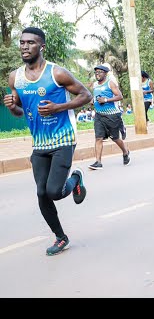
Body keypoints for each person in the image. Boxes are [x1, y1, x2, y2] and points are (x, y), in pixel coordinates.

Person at [3, 27, 92, 255]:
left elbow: (85, 95)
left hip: (63, 138)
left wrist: (59, 107)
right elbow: (20, 112)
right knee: (42, 194)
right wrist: (13, 106)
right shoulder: (16, 78)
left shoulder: (57, 73)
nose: (24, 46)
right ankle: (61, 237)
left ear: (41, 47)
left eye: (30, 43)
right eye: (22, 43)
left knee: (54, 191)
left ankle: (75, 178)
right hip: (39, 143)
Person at [88, 65, 131, 170]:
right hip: (99, 115)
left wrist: (106, 100)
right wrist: (92, 101)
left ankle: (125, 152)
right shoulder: (95, 85)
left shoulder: (110, 83)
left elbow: (120, 96)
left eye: (100, 72)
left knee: (115, 138)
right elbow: (96, 96)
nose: (97, 74)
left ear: (105, 73)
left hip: (111, 116)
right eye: (96, 72)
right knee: (98, 138)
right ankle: (98, 162)